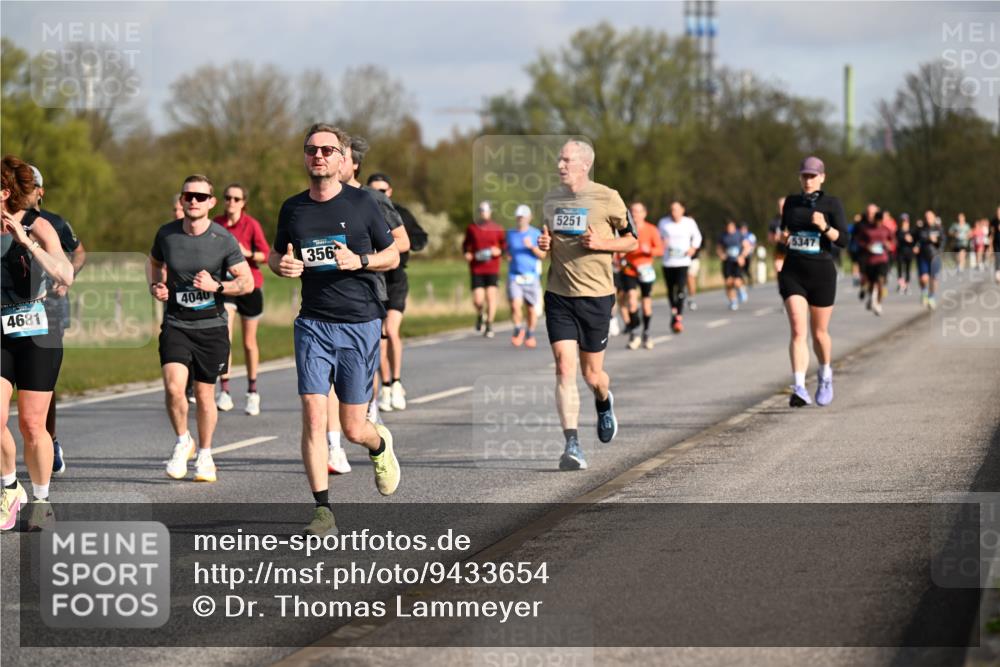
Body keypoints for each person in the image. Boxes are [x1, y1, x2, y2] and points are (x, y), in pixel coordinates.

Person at [268, 124, 401, 536]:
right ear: (305, 157)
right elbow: (276, 257)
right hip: (312, 322)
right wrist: (282, 267)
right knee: (312, 414)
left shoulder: (363, 203)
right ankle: (323, 510)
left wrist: (359, 261)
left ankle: (378, 444)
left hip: (360, 322)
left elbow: (393, 254)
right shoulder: (293, 209)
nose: (319, 156)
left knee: (352, 427)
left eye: (328, 149)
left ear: (343, 159)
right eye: (312, 149)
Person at [536, 140, 637, 471]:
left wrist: (603, 243)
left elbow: (633, 240)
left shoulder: (607, 197)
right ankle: (572, 444)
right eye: (559, 159)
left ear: (584, 164)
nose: (560, 164)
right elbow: (546, 243)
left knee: (593, 375)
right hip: (559, 294)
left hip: (595, 297)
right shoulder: (551, 199)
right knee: (564, 368)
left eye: (566, 160)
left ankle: (604, 401)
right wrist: (543, 244)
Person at [150, 175, 254, 484]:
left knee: (205, 395)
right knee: (173, 387)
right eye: (188, 196)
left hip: (212, 326)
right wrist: (156, 285)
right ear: (181, 200)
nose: (193, 200)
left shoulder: (222, 239)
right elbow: (154, 263)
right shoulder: (166, 234)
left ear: (210, 202)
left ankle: (205, 454)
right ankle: (184, 440)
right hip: (177, 323)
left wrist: (217, 285)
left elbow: (246, 282)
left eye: (200, 196)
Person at [1, 155, 75, 530]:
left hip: (36, 331)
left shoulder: (40, 225)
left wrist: (26, 242)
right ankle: (9, 487)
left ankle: (42, 501)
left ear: (5, 192)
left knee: (32, 424)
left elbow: (65, 272)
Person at [336, 136, 409, 432]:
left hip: (369, 289)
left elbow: (403, 241)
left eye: (341, 157)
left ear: (354, 165)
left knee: (370, 355)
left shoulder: (374, 199)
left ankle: (371, 409)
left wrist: (362, 259)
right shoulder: (318, 199)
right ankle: (332, 439)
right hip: (326, 294)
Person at [27, 166, 87, 475]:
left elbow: (79, 253)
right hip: (12, 309)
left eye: (32, 185)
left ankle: (49, 439)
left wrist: (68, 276)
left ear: (40, 190)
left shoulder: (55, 222)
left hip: (50, 308)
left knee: (43, 381)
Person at [777, 156, 847, 408]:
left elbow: (843, 240)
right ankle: (799, 387)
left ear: (822, 177)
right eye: (804, 175)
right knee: (798, 329)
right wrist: (783, 238)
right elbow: (786, 232)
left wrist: (825, 227)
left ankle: (825, 375)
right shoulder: (791, 203)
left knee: (819, 333)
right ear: (799, 177)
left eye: (812, 176)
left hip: (822, 273)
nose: (808, 180)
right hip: (793, 271)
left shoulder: (832, 203)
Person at [367, 172, 427, 411]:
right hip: (374, 279)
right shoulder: (363, 212)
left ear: (390, 192)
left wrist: (413, 242)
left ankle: (397, 381)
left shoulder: (401, 212)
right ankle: (386, 386)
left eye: (383, 191)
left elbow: (420, 236)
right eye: (373, 190)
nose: (378, 195)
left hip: (396, 278)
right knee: (379, 339)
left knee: (391, 330)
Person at [213, 183, 269, 416]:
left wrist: (246, 253)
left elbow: (265, 255)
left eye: (236, 199)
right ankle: (224, 390)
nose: (231, 202)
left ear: (243, 202)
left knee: (248, 342)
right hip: (227, 286)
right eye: (227, 198)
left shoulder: (251, 225)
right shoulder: (216, 223)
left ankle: (252, 391)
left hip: (251, 286)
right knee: (225, 336)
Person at [621, 201, 663, 349]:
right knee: (632, 301)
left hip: (645, 270)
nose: (635, 214)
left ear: (644, 213)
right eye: (632, 211)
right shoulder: (625, 228)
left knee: (646, 304)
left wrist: (649, 250)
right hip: (629, 269)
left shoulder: (651, 229)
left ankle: (646, 333)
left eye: (638, 211)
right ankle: (634, 333)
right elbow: (618, 246)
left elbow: (660, 250)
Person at [657, 201, 702, 334]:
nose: (673, 212)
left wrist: (693, 248)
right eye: (671, 209)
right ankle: (674, 310)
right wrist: (661, 243)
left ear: (682, 210)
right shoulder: (663, 222)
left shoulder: (689, 222)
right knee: (671, 289)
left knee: (681, 288)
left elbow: (697, 237)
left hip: (683, 261)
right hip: (668, 261)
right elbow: (657, 237)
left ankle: (678, 317)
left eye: (676, 209)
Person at [462, 202, 505, 338]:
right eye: (481, 211)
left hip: (492, 268)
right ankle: (480, 314)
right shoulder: (472, 228)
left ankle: (489, 324)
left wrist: (498, 251)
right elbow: (465, 245)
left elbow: (504, 246)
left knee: (491, 297)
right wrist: (466, 254)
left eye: (485, 211)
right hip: (477, 268)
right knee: (478, 300)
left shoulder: (497, 228)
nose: (483, 213)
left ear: (490, 212)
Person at [505, 204, 545, 348]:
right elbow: (507, 250)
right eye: (519, 217)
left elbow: (543, 255)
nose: (521, 219)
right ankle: (517, 329)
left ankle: (530, 333)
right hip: (514, 275)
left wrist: (531, 247)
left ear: (529, 218)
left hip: (531, 276)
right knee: (515, 305)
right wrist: (507, 255)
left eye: (523, 217)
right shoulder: (510, 233)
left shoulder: (535, 234)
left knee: (530, 308)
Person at [855, 210, 893, 316]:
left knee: (880, 281)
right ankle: (871, 298)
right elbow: (859, 241)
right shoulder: (866, 229)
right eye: (877, 221)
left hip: (882, 259)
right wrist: (867, 246)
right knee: (871, 284)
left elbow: (892, 242)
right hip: (870, 260)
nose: (879, 223)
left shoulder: (886, 230)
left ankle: (878, 304)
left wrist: (889, 245)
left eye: (881, 221)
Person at [717, 220, 750, 311]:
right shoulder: (723, 236)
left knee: (736, 281)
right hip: (728, 262)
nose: (729, 229)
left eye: (731, 227)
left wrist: (742, 256)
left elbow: (747, 246)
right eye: (728, 227)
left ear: (734, 227)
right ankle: (733, 301)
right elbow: (719, 248)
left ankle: (741, 290)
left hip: (737, 261)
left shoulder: (739, 235)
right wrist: (721, 255)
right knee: (728, 282)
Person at [915, 209, 943, 309]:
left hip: (935, 256)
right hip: (923, 256)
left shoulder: (939, 229)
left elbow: (942, 241)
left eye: (930, 217)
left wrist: (937, 242)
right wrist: (916, 246)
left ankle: (931, 296)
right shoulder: (921, 229)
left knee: (933, 278)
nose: (928, 219)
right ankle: (924, 291)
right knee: (924, 278)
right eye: (926, 217)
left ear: (934, 218)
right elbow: (916, 239)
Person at [895, 214, 916, 294]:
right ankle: (901, 284)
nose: (904, 222)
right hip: (900, 252)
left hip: (909, 252)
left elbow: (914, 241)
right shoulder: (898, 231)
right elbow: (897, 240)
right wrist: (904, 238)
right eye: (903, 221)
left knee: (907, 269)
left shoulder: (911, 231)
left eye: (905, 221)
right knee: (900, 268)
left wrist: (911, 241)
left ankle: (907, 285)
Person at [768, 197, 787, 275]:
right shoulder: (774, 221)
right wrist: (774, 238)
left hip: (793, 252)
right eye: (779, 206)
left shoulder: (794, 218)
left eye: (783, 205)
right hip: (780, 251)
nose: (781, 208)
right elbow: (770, 238)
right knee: (780, 272)